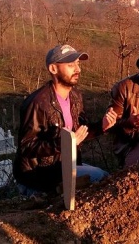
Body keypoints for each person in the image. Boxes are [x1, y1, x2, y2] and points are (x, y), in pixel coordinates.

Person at [13, 44, 117, 196]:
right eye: (70, 65)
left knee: (102, 180)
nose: (78, 69)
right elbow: (26, 147)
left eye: (78, 64)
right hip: (38, 174)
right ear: (53, 69)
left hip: (64, 165)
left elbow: (79, 134)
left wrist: (102, 126)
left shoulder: (75, 96)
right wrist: (65, 144)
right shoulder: (37, 103)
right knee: (101, 178)